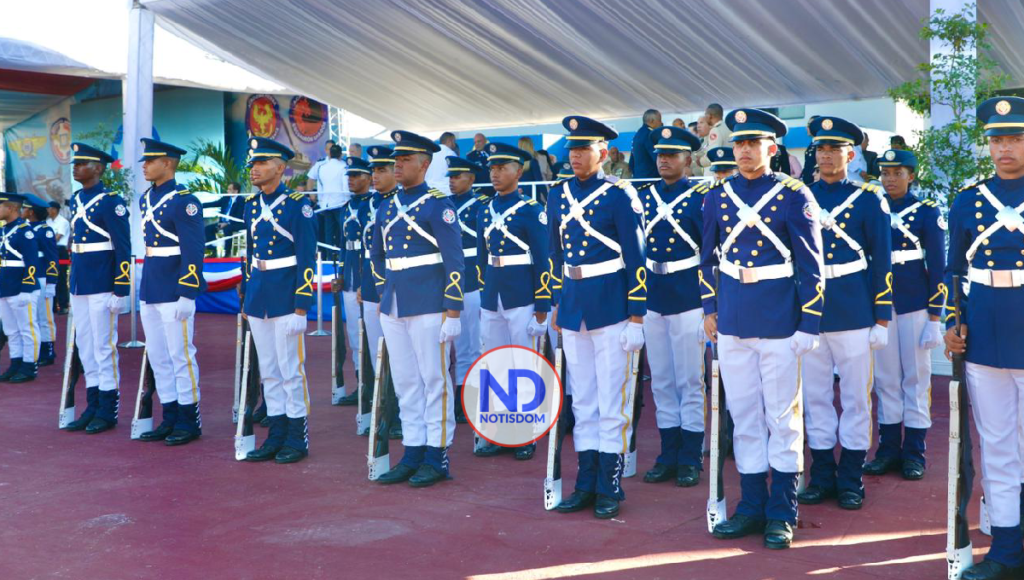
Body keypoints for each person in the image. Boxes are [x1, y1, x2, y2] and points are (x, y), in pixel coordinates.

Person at [702, 108, 823, 549]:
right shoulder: (717, 195)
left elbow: (811, 263)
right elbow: (707, 256)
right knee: (745, 416)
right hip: (732, 318)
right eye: (739, 143)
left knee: (782, 418)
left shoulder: (793, 193)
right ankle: (751, 507)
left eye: (754, 143)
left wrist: (809, 321)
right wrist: (709, 307)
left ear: (772, 148)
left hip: (778, 320)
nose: (746, 151)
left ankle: (782, 512)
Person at [548, 115, 646, 519]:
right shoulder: (557, 194)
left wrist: (637, 316)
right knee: (582, 398)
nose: (574, 156)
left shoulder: (621, 195)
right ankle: (584, 481)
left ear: (603, 153)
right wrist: (556, 300)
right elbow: (554, 253)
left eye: (583, 149)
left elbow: (637, 257)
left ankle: (610, 483)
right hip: (573, 305)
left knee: (613, 398)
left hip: (611, 304)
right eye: (571, 149)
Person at [943, 96, 1024, 580]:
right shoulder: (968, 200)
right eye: (997, 139)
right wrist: (953, 324)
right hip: (985, 336)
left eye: (1014, 138)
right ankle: (1007, 551)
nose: (1005, 148)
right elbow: (954, 272)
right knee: (996, 444)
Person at [798, 116, 892, 512]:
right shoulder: (798, 195)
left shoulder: (869, 198)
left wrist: (882, 315)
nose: (826, 155)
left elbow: (881, 257)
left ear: (850, 155)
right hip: (811, 312)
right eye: (821, 149)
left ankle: (851, 477)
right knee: (816, 397)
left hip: (854, 308)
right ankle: (821, 476)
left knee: (855, 398)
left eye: (834, 149)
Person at [370, 130, 465, 488]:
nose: (397, 165)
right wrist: (384, 292)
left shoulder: (439, 205)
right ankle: (412, 451)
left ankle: (436, 454)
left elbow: (456, 260)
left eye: (405, 160)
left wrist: (453, 310)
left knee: (434, 380)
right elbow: (376, 256)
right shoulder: (385, 205)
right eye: (397, 159)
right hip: (395, 303)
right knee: (407, 382)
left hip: (429, 303)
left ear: (424, 164)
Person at [863, 149, 944, 480]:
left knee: (916, 377)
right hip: (880, 306)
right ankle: (887, 449)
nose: (890, 179)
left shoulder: (926, 211)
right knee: (884, 380)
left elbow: (938, 263)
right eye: (884, 173)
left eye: (897, 173)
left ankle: (914, 451)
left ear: (912, 175)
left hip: (913, 301)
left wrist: (936, 317)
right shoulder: (872, 208)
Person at [636, 125, 707, 487]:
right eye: (660, 154)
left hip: (688, 295)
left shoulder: (699, 198)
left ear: (688, 159)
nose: (664, 159)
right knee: (661, 379)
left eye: (672, 154)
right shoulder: (643, 198)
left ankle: (691, 456)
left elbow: (710, 253)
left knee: (690, 379)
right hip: (653, 294)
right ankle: (668, 453)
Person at [240, 137, 318, 464]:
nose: (254, 169)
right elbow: (248, 254)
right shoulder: (250, 205)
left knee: (290, 369)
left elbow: (307, 256)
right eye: (253, 164)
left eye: (262, 163)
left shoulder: (298, 205)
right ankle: (275, 434)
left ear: (281, 168)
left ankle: (296, 437)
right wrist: (246, 294)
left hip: (287, 295)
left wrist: (303, 304)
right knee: (269, 371)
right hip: (259, 295)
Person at [473, 143, 550, 461]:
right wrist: (483, 293)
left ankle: (524, 433)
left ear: (519, 172)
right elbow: (480, 256)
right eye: (492, 168)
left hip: (521, 294)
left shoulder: (532, 210)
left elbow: (544, 259)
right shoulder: (484, 209)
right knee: (493, 364)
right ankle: (496, 431)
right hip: (493, 294)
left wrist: (543, 306)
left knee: (523, 365)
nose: (495, 174)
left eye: (502, 168)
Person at [134, 138, 207, 446]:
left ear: (168, 163)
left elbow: (194, 248)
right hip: (152, 282)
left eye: (150, 160)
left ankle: (189, 419)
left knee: (180, 354)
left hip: (175, 284)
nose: (144, 165)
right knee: (159, 355)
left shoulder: (184, 200)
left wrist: (188, 292)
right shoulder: (145, 198)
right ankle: (170, 415)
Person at [62, 143, 132, 434]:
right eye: (75, 164)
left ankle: (107, 408)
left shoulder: (110, 201)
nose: (75, 168)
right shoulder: (76, 199)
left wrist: (121, 287)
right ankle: (91, 405)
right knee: (86, 346)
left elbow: (123, 246)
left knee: (104, 346)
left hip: (103, 281)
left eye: (82, 164)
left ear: (99, 169)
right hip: (80, 280)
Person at [445, 155, 487, 424]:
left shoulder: (482, 206)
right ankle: (459, 395)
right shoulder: (444, 205)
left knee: (474, 342)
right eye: (450, 176)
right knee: (457, 344)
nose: (452, 180)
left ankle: (471, 395)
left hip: (473, 278)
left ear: (471, 179)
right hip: (450, 281)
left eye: (458, 176)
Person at [335, 156, 374, 406]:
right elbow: (341, 244)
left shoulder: (373, 205)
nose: (351, 180)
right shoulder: (345, 207)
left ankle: (374, 385)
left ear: (368, 178)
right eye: (349, 175)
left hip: (365, 271)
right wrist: (339, 272)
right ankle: (361, 384)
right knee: (353, 333)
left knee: (370, 333)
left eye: (356, 175)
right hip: (349, 270)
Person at [358, 146, 398, 376]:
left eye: (381, 170)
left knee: (403, 349)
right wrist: (364, 282)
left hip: (399, 281)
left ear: (395, 172)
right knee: (375, 346)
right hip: (371, 281)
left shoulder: (403, 202)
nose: (375, 175)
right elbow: (368, 250)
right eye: (373, 170)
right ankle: (380, 403)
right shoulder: (367, 204)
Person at [0, 192, 41, 384]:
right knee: (11, 329)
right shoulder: (4, 230)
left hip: (21, 287)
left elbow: (32, 261)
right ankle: (15, 363)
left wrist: (28, 286)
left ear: (12, 208)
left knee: (27, 328)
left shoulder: (25, 231)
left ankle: (29, 365)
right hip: (5, 286)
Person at [22, 194, 58, 367]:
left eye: (26, 208)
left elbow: (52, 258)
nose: (23, 211)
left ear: (32, 212)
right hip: (29, 278)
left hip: (42, 277)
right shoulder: (25, 229)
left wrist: (52, 282)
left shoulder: (45, 230)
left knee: (45, 316)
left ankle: (48, 349)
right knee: (32, 316)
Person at [308, 144, 347, 261]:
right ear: (340, 154)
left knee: (328, 233)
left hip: (326, 204)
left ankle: (330, 257)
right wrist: (348, 199)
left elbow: (320, 184)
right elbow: (345, 186)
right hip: (340, 203)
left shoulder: (322, 167)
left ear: (330, 154)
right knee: (341, 231)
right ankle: (341, 255)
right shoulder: (343, 166)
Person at [46, 201, 70, 314]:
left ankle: (63, 305)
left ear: (55, 209)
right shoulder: (47, 221)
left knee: (61, 279)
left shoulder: (63, 222)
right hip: (49, 250)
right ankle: (53, 306)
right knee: (51, 278)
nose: (47, 211)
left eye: (49, 208)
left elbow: (57, 237)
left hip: (60, 250)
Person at [696, 104, 731, 173]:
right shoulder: (728, 127)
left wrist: (700, 161)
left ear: (710, 116)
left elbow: (713, 154)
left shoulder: (716, 130)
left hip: (718, 172)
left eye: (705, 115)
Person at [629, 109, 662, 179]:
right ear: (652, 121)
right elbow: (657, 158)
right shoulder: (650, 135)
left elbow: (631, 162)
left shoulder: (638, 134)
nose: (661, 123)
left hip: (639, 176)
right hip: (651, 178)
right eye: (659, 120)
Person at [800, 116, 821, 184]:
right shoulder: (813, 143)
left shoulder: (822, 144)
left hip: (816, 181)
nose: (807, 128)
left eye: (809, 125)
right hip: (808, 182)